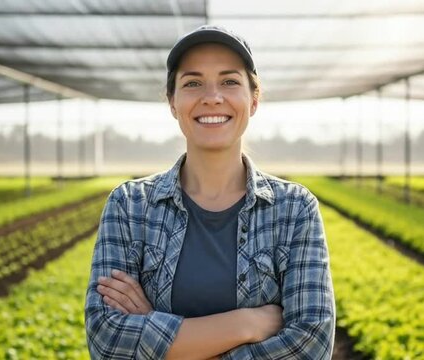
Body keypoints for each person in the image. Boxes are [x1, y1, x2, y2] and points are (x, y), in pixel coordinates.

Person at [85, 25, 335, 359]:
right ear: (173, 103)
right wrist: (246, 323)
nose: (212, 96)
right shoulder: (130, 206)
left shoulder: (293, 209)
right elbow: (106, 341)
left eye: (230, 81)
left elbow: (311, 344)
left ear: (254, 100)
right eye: (192, 83)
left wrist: (153, 327)